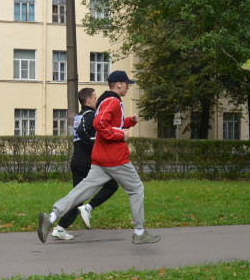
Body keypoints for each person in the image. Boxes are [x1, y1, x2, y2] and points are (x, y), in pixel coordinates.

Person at [38, 70, 161, 245]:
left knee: (83, 190)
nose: (128, 87)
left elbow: (110, 124)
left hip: (100, 157)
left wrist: (129, 122)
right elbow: (100, 124)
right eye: (127, 84)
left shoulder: (104, 99)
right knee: (136, 188)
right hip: (115, 158)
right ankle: (140, 232)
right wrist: (120, 135)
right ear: (119, 84)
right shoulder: (113, 101)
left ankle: (51, 217)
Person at [51, 88, 119, 240]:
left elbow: (81, 132)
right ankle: (89, 208)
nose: (97, 101)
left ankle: (60, 228)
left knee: (78, 196)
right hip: (87, 162)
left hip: (77, 160)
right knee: (112, 184)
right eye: (95, 98)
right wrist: (93, 148)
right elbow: (83, 132)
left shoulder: (79, 116)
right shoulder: (90, 115)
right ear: (88, 101)